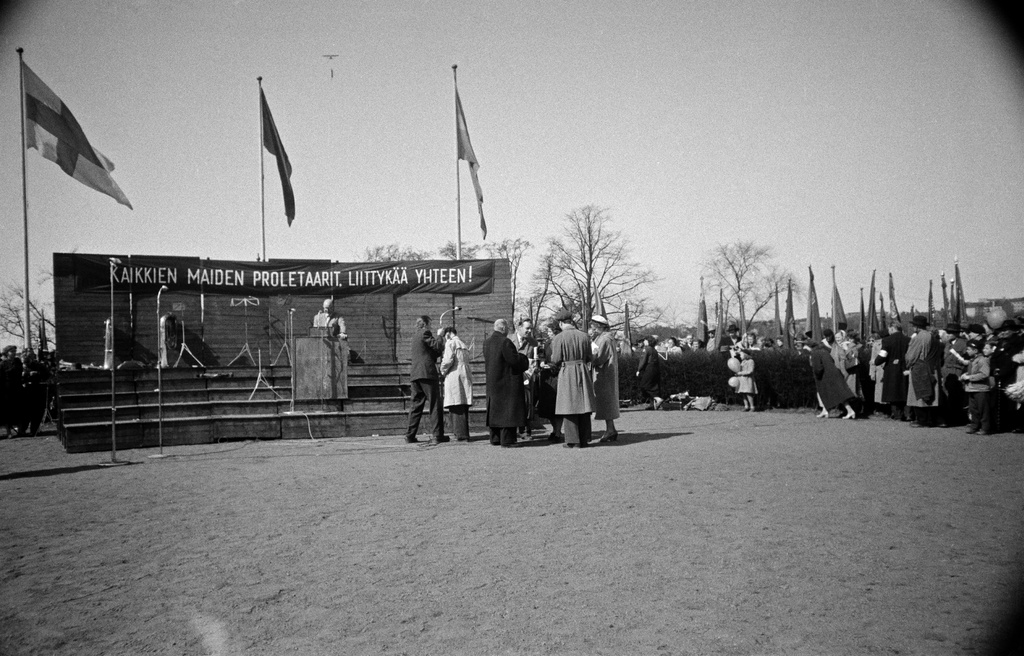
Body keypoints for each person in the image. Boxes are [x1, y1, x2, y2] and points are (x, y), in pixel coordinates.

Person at [549, 310, 596, 448]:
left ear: (561, 323)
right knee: (584, 404)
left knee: (568, 406)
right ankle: (584, 438)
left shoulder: (558, 338)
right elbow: (589, 357)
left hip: (567, 371)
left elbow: (556, 359)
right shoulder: (584, 336)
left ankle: (572, 440)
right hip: (582, 370)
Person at [483, 318, 530, 448]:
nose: (508, 330)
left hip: (493, 381)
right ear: (503, 328)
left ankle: (495, 437)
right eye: (507, 328)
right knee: (507, 411)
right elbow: (514, 361)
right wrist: (524, 358)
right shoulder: (505, 342)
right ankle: (507, 439)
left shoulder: (487, 342)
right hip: (507, 382)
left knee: (495, 410)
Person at [404, 315, 447, 444]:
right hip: (427, 374)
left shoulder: (415, 336)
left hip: (415, 374)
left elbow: (431, 352)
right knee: (434, 404)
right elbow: (437, 347)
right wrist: (440, 336)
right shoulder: (425, 333)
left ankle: (410, 435)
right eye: (430, 324)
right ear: (425, 324)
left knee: (416, 406)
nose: (431, 327)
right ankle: (437, 435)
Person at [904, 315, 943, 428]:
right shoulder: (933, 336)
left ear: (917, 327)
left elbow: (911, 356)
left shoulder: (919, 337)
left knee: (919, 394)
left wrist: (908, 364)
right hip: (932, 368)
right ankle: (931, 419)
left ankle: (921, 420)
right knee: (931, 395)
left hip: (920, 368)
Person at [805, 338, 856, 419]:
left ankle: (850, 411)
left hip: (826, 376)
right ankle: (826, 411)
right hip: (834, 373)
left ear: (808, 346)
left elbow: (818, 367)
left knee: (826, 393)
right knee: (839, 393)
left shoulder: (814, 353)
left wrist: (817, 376)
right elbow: (831, 360)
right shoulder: (823, 350)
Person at [590, 315, 620, 442]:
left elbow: (599, 357)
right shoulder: (606, 338)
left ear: (599, 326)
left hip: (603, 374)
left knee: (606, 401)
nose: (592, 328)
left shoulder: (604, 339)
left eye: (593, 325)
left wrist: (589, 358)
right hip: (606, 373)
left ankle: (610, 430)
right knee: (606, 401)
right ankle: (610, 428)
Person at [440, 326, 473, 441]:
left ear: (448, 334)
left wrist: (442, 371)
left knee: (455, 404)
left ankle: (460, 434)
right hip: (465, 375)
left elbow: (448, 360)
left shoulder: (450, 343)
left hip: (454, 374)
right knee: (462, 404)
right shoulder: (462, 344)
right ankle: (464, 433)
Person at [875, 323, 911, 420]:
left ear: (892, 328)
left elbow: (883, 355)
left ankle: (897, 414)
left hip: (891, 370)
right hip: (905, 369)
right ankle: (908, 414)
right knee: (905, 391)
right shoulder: (908, 340)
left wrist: (877, 361)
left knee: (893, 392)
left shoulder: (887, 340)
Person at [535, 320, 564, 442]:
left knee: (556, 406)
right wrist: (541, 362)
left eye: (550, 331)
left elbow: (561, 359)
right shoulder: (547, 343)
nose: (549, 334)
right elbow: (543, 357)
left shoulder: (561, 342)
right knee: (548, 407)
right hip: (547, 377)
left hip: (557, 376)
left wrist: (552, 366)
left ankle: (558, 431)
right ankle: (554, 430)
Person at [511, 316, 539, 438]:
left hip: (528, 378)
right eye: (527, 328)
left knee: (528, 402)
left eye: (531, 329)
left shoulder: (533, 342)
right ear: (519, 327)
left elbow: (537, 359)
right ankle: (515, 429)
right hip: (513, 377)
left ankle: (526, 429)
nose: (529, 331)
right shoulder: (509, 340)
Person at [960, 339, 992, 435]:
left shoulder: (982, 360)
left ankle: (985, 428)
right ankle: (974, 426)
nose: (967, 351)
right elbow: (972, 372)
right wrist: (965, 375)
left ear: (976, 350)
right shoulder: (972, 361)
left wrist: (969, 377)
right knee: (974, 409)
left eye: (969, 349)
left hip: (981, 389)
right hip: (972, 388)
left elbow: (984, 374)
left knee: (983, 410)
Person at [940, 323, 968, 426]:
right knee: (946, 395)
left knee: (955, 396)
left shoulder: (963, 343)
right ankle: (948, 419)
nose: (947, 334)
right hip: (946, 371)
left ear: (956, 333)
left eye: (950, 332)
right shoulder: (947, 343)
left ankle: (955, 419)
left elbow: (966, 359)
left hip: (957, 370)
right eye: (947, 332)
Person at [22, 351, 51, 437]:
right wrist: (26, 374)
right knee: (26, 411)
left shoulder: (39, 366)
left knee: (37, 411)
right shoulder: (21, 366)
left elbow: (47, 375)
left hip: (37, 388)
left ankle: (34, 430)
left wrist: (37, 373)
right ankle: (22, 429)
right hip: (25, 389)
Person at [1, 345, 24, 438]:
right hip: (7, 389)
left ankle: (20, 430)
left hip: (17, 388)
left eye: (15, 351)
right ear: (7, 353)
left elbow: (20, 371)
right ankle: (8, 432)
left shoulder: (18, 361)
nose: (14, 353)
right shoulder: (3, 364)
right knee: (7, 411)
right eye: (12, 352)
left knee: (19, 410)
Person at [635, 336, 663, 409]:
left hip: (649, 368)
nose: (644, 341)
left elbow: (643, 360)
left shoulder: (647, 349)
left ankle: (657, 399)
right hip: (656, 368)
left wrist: (639, 369)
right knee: (653, 385)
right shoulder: (654, 349)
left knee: (644, 385)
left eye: (645, 340)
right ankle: (653, 404)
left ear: (648, 341)